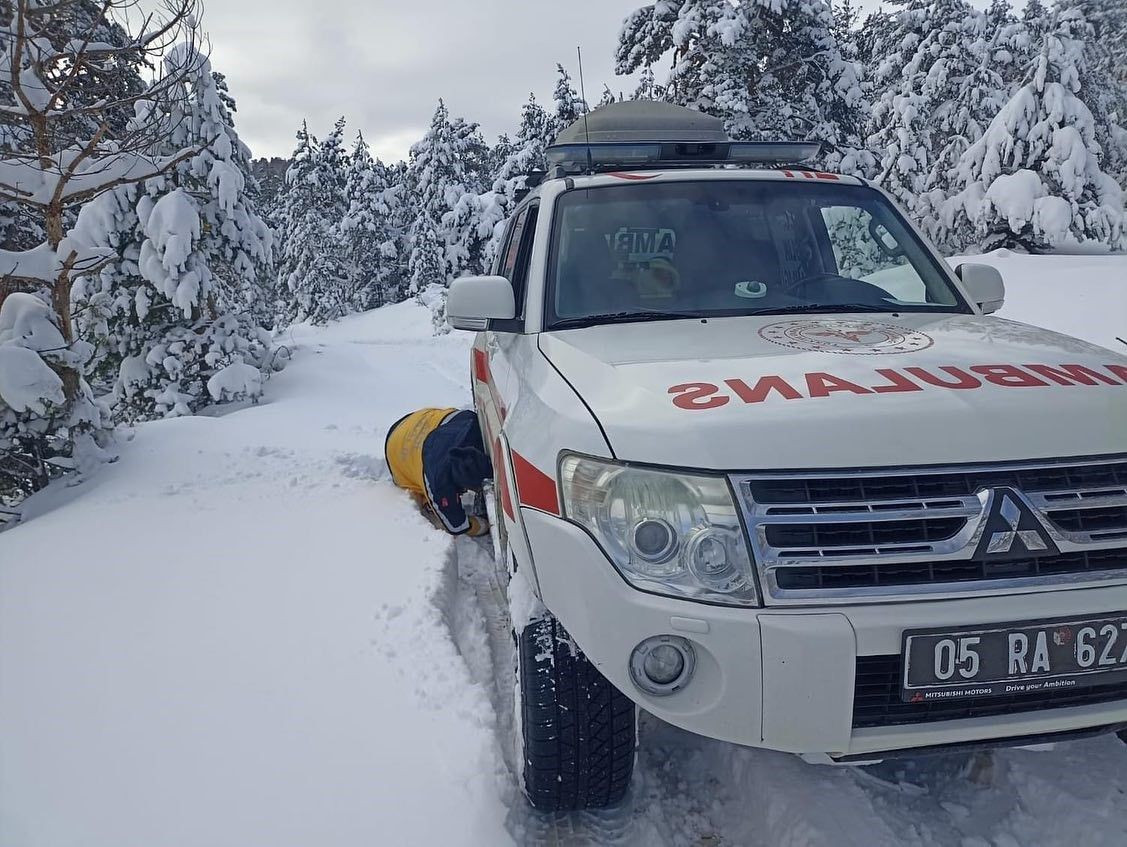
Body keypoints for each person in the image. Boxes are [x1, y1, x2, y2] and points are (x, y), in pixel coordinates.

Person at [384, 407, 492, 536]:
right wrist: (484, 525)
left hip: (420, 421)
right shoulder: (438, 482)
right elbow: (456, 526)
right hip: (396, 448)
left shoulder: (473, 422)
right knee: (430, 507)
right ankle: (427, 504)